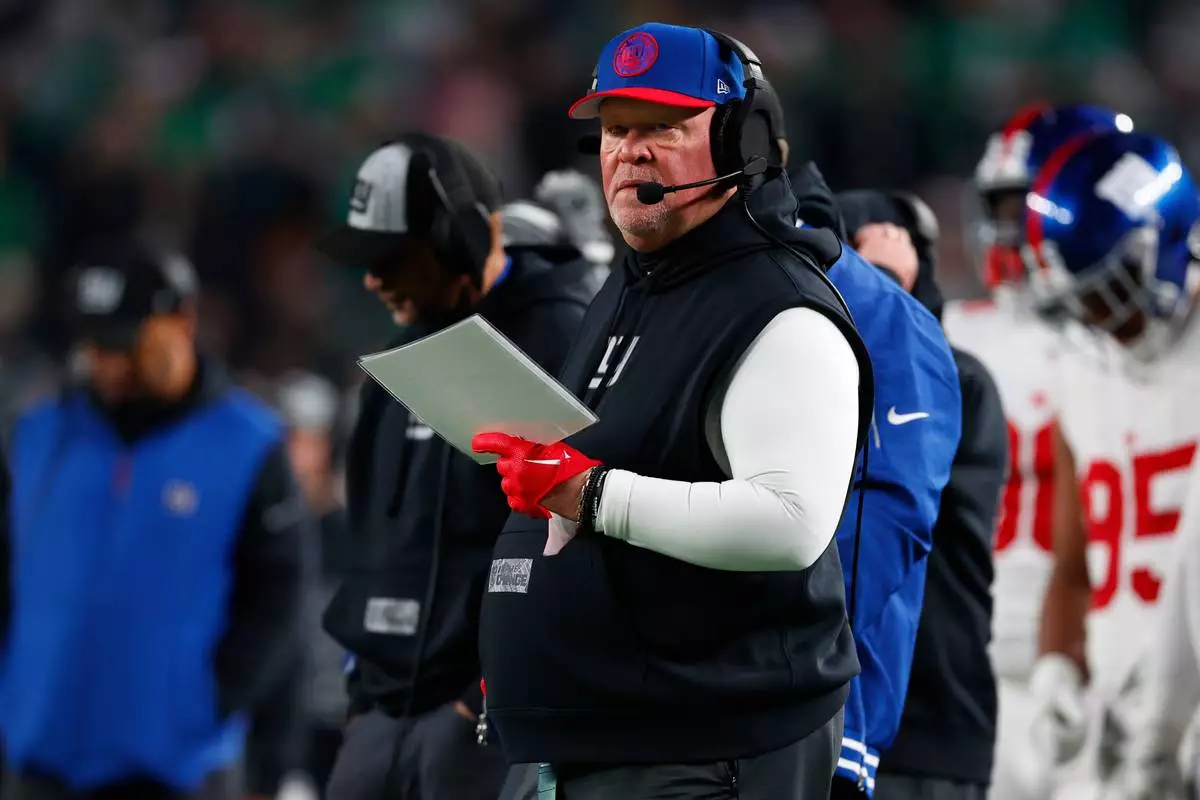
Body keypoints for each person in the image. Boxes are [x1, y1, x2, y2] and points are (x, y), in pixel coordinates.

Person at [474, 23, 876, 798]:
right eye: (617, 130)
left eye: (664, 128)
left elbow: (789, 521)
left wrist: (590, 495)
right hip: (612, 741)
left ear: (741, 140)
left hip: (707, 748)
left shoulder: (778, 307)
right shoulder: (637, 284)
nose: (631, 151)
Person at [314, 133, 597, 800]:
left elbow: (577, 543)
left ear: (461, 238)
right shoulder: (395, 363)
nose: (372, 278)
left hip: (486, 723)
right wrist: (362, 698)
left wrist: (484, 698)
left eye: (393, 258)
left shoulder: (560, 342)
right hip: (383, 711)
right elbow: (368, 538)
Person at [0, 240, 310, 800]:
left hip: (171, 768)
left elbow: (277, 602)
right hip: (37, 757)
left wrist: (203, 703)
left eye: (125, 343)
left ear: (182, 322)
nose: (107, 363)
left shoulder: (248, 445)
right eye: (95, 344)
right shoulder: (41, 433)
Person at [762, 95, 962, 797]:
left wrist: (776, 646)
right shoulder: (705, 298)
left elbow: (889, 515)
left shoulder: (893, 323)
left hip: (824, 702)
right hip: (704, 696)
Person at [940, 103, 1130, 800]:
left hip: (1107, 655)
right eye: (1006, 207)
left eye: (1036, 205)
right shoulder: (951, 334)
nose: (1013, 230)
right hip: (975, 659)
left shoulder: (1137, 352)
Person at [1029, 129, 1200, 799]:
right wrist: (1056, 665)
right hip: (1118, 703)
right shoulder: (1079, 370)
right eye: (1085, 294)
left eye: (1113, 284)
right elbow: (1074, 564)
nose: (1098, 313)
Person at [839, 190, 1009, 800]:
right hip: (844, 710)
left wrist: (874, 289)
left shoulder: (962, 378)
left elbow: (904, 498)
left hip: (936, 714)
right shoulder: (805, 366)